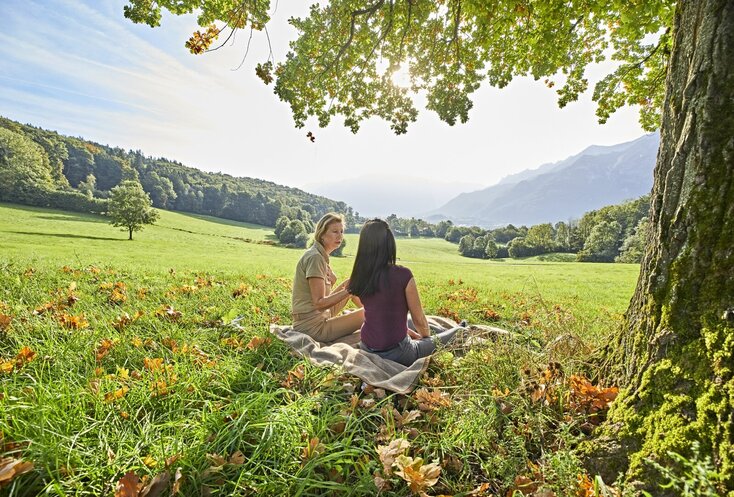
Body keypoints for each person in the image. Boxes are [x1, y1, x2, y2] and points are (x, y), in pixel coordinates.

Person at [348, 219, 464, 366]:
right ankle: (461, 328)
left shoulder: (359, 276)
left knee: (406, 320)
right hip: (399, 353)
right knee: (456, 334)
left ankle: (449, 329)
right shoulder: (403, 275)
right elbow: (419, 320)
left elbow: (375, 310)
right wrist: (425, 339)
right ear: (389, 244)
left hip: (367, 347)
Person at [291, 213, 364, 342]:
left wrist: (334, 282)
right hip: (312, 327)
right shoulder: (315, 258)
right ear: (322, 234)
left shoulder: (320, 256)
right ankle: (375, 318)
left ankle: (370, 315)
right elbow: (319, 303)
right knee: (369, 313)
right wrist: (348, 291)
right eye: (335, 231)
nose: (340, 236)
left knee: (351, 282)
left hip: (320, 316)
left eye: (341, 231)